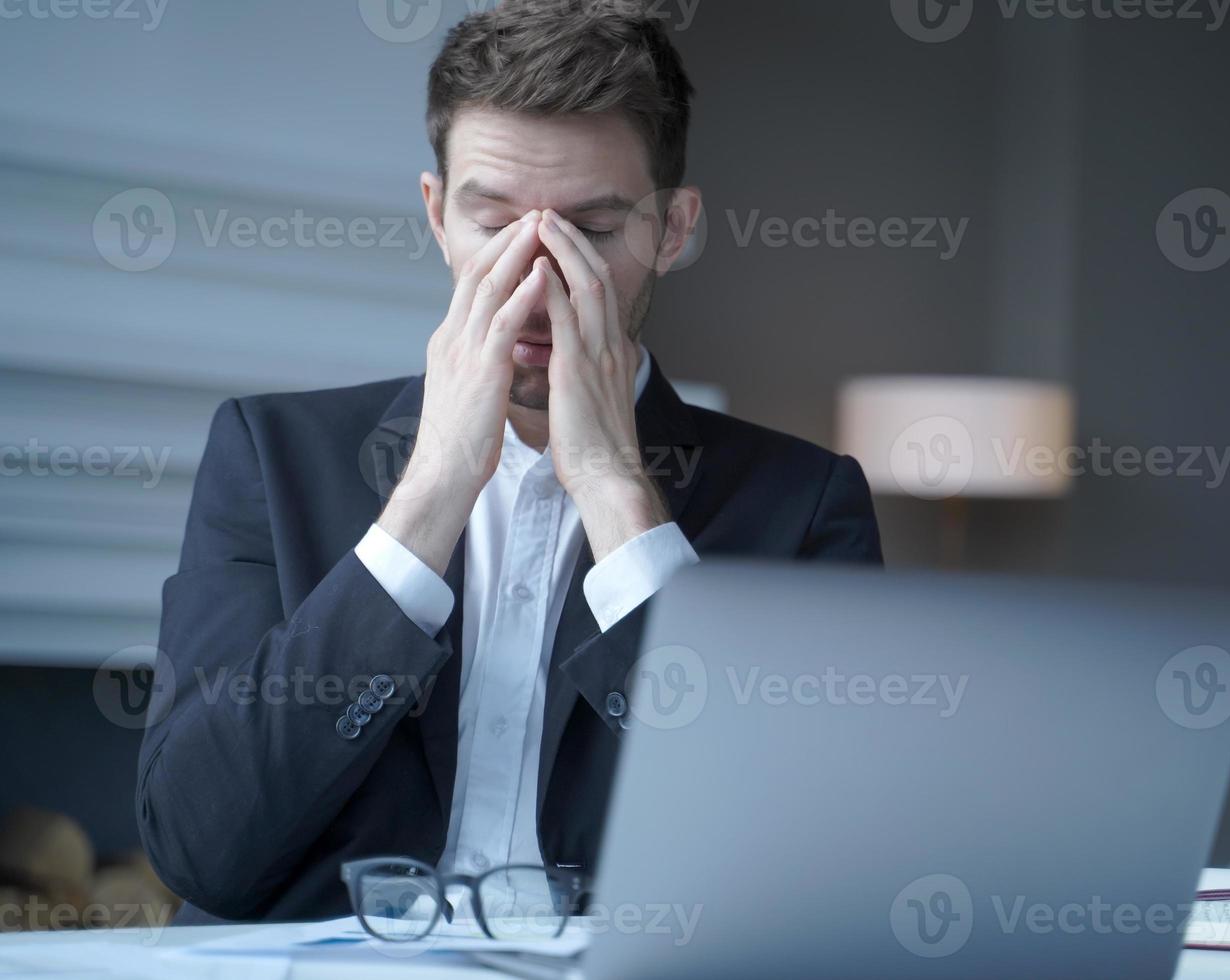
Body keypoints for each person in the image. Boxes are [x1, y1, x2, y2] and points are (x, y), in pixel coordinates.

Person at [137, 0, 882, 923]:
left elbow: (804, 863)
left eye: (594, 233)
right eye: (494, 224)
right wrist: (433, 490)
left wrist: (617, 496)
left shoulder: (804, 505)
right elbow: (197, 848)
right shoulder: (269, 454)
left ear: (674, 229)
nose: (537, 285)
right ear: (436, 216)